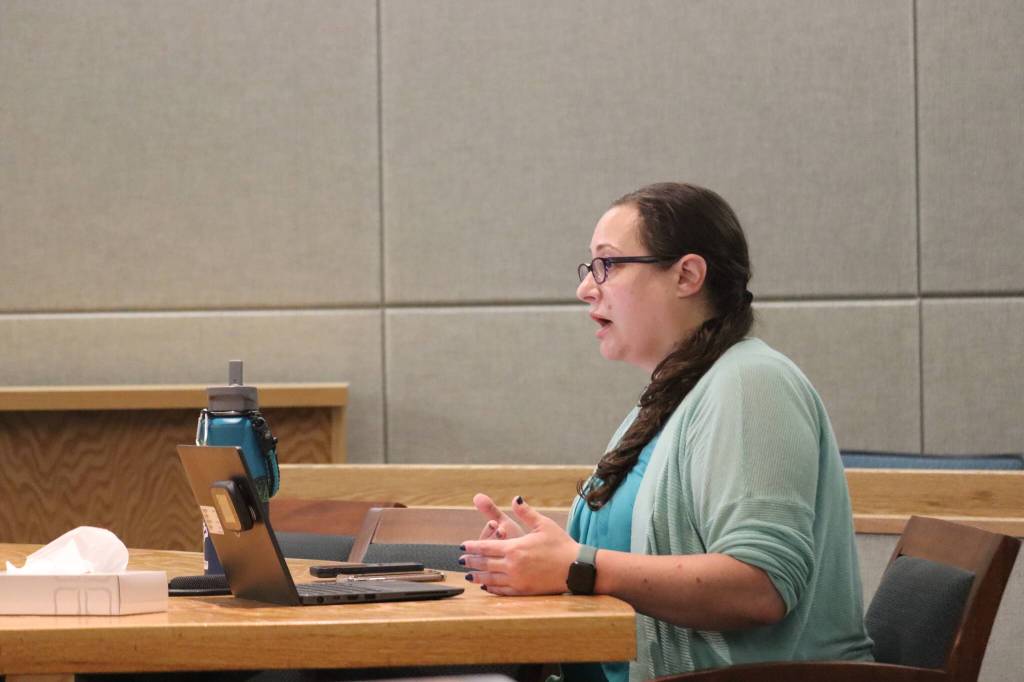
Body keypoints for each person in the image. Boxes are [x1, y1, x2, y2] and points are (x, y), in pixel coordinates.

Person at [459, 182, 873, 681]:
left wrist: (578, 566)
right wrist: (535, 559)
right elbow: (624, 563)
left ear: (687, 275)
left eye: (607, 265)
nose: (586, 287)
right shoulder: (671, 395)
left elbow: (760, 587)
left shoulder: (750, 382)